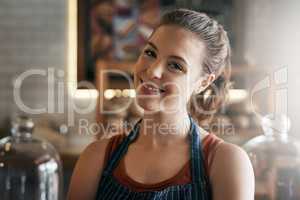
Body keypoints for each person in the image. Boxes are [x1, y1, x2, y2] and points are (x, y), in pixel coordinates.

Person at [67, 8, 255, 200]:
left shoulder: (225, 162)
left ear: (203, 82)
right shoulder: (96, 157)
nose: (153, 71)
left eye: (175, 65)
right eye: (150, 52)